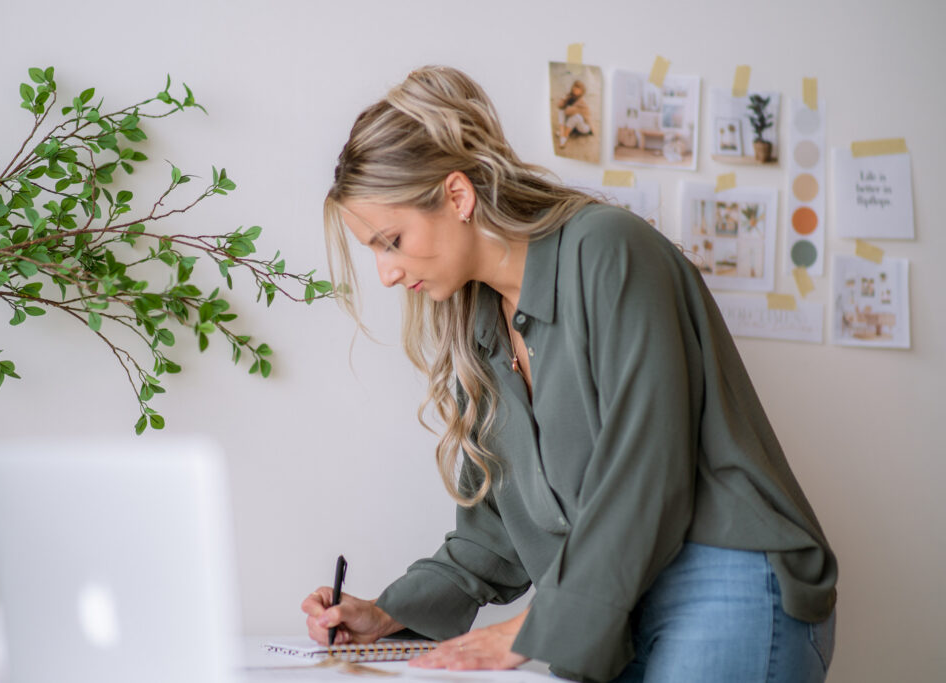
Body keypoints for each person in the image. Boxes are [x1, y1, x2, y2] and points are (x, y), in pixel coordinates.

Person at [302, 66, 837, 683]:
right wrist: (387, 613)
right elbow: (494, 537)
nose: (386, 274)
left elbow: (647, 470)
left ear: (457, 196)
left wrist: (539, 624)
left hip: (724, 572)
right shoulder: (478, 329)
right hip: (616, 607)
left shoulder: (609, 250)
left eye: (390, 240)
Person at [556, 79, 592, 148]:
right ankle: (562, 132)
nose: (575, 89)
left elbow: (568, 112)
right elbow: (559, 106)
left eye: (578, 88)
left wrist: (565, 103)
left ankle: (563, 138)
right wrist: (564, 99)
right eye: (575, 87)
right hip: (573, 125)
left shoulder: (582, 101)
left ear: (582, 91)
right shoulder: (569, 96)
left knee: (576, 116)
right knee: (561, 111)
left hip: (583, 127)